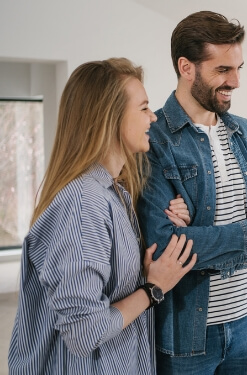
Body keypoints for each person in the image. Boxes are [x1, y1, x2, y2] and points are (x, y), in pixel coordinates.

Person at [8, 58, 197, 374]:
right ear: (111, 118)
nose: (153, 117)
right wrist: (152, 289)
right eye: (143, 108)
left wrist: (142, 271)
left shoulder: (115, 192)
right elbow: (85, 331)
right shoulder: (83, 205)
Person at [136, 11, 247, 374]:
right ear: (186, 67)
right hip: (187, 333)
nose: (236, 81)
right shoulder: (154, 139)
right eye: (223, 70)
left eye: (239, 68)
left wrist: (197, 235)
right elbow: (163, 247)